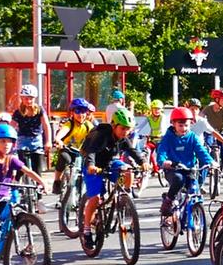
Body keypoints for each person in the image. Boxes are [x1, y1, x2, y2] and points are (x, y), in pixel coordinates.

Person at [80, 108, 147, 249]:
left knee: (128, 170)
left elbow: (133, 151)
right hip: (92, 165)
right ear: (114, 125)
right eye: (122, 128)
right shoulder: (100, 135)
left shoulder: (123, 139)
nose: (125, 132)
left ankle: (124, 198)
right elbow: (91, 152)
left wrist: (143, 162)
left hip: (110, 163)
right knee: (96, 198)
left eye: (128, 129)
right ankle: (86, 230)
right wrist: (91, 166)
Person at [0, 124, 47, 242]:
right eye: (3, 141)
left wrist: (41, 182)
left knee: (9, 220)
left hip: (5, 197)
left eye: (10, 142)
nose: (6, 144)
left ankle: (4, 245)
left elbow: (28, 171)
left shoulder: (11, 159)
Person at [156, 107, 214, 215]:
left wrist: (211, 162)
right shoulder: (168, 138)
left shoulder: (192, 137)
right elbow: (162, 152)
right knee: (178, 179)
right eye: (180, 125)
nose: (184, 128)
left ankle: (194, 211)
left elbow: (201, 151)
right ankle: (168, 201)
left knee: (194, 188)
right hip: (173, 170)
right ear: (173, 124)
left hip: (189, 169)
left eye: (186, 125)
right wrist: (163, 162)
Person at [51, 98, 95, 194]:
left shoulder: (88, 125)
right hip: (68, 150)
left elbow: (95, 137)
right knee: (63, 157)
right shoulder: (69, 124)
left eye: (83, 111)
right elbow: (62, 133)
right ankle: (57, 181)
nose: (80, 114)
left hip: (82, 152)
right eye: (77, 111)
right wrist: (58, 140)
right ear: (72, 112)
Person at [11, 84, 52, 174]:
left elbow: (46, 125)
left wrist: (48, 141)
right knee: (21, 168)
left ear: (35, 98)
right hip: (22, 139)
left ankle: (38, 186)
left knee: (37, 168)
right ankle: (20, 184)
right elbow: (11, 127)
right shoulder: (18, 112)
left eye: (31, 98)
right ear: (22, 98)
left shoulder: (39, 110)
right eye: (26, 98)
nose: (28, 101)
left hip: (36, 139)